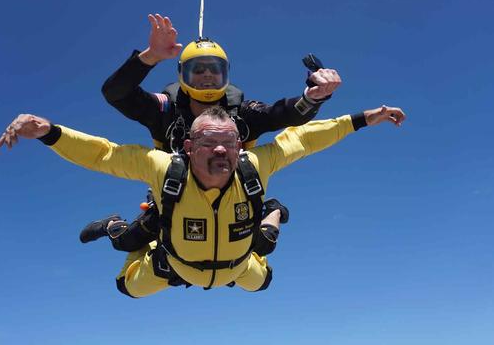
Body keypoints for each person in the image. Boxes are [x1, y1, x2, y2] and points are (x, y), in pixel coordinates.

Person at [0, 104, 406, 298]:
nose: (224, 152)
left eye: (230, 143)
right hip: (172, 265)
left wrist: (361, 119)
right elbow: (103, 153)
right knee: (125, 287)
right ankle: (118, 227)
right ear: (189, 146)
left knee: (264, 279)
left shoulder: (253, 166)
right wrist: (50, 131)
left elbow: (304, 139)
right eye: (211, 142)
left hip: (236, 265)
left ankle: (274, 214)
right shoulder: (162, 168)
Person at [85, 13, 342, 254]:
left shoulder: (242, 114)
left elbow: (282, 114)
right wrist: (149, 57)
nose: (207, 75)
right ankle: (112, 224)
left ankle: (273, 210)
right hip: (177, 197)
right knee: (127, 242)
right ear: (182, 75)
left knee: (262, 247)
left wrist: (313, 97)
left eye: (214, 70)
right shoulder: (164, 110)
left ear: (226, 76)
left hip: (232, 197)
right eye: (197, 69)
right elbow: (115, 93)